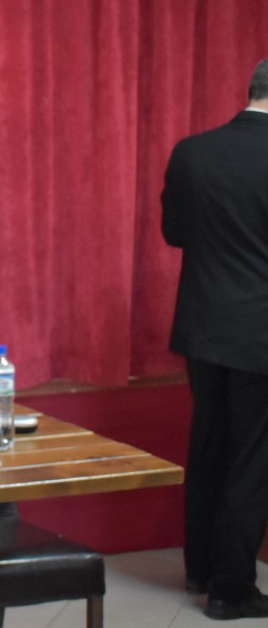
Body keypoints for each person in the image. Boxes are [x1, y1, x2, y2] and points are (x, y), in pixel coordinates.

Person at [161, 57, 268, 621]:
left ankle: (200, 568)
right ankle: (232, 588)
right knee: (252, 460)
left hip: (202, 327)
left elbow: (174, 231)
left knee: (207, 446)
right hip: (261, 336)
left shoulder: (191, 151)